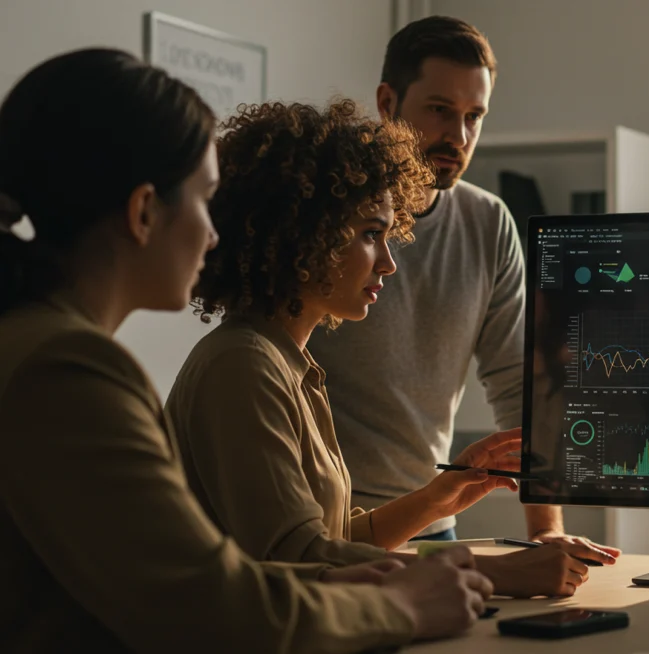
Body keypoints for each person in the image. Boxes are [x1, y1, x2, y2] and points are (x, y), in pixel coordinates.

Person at [0, 48, 493, 653]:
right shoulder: (68, 369)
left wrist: (408, 567)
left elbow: (224, 580)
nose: (215, 231)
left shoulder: (41, 344)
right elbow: (211, 602)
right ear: (144, 211)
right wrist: (406, 603)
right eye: (205, 200)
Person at [166, 99, 590, 598]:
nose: (389, 263)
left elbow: (335, 538)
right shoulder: (243, 367)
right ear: (303, 234)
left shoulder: (286, 362)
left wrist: (437, 499)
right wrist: (496, 574)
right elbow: (301, 561)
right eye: (371, 235)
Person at [306, 15, 620, 562]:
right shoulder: (329, 215)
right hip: (330, 526)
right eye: (439, 111)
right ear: (387, 102)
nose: (459, 136)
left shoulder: (488, 221)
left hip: (431, 520)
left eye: (474, 116)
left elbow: (518, 385)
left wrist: (544, 530)